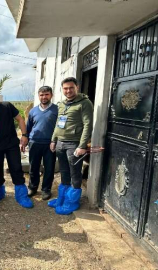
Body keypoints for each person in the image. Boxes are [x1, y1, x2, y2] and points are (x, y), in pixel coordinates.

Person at [0, 88, 33, 208]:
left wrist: (24, 135)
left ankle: (21, 196)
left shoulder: (7, 106)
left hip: (11, 145)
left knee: (16, 168)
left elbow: (20, 119)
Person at [49, 77, 93, 215]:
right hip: (60, 143)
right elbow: (58, 123)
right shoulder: (61, 104)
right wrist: (53, 140)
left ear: (77, 87)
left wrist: (82, 145)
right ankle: (62, 198)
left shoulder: (84, 103)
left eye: (71, 88)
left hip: (74, 144)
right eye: (65, 88)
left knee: (75, 172)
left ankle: (72, 202)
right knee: (64, 171)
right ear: (62, 89)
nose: (68, 91)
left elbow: (88, 125)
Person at [27, 86, 58, 200]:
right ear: (38, 96)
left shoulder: (56, 110)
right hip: (34, 142)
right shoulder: (33, 111)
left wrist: (55, 141)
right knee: (33, 167)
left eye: (46, 94)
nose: (44, 97)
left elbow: (59, 127)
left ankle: (46, 190)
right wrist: (26, 140)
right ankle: (32, 187)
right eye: (41, 95)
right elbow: (28, 127)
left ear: (51, 95)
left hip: (50, 144)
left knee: (49, 167)